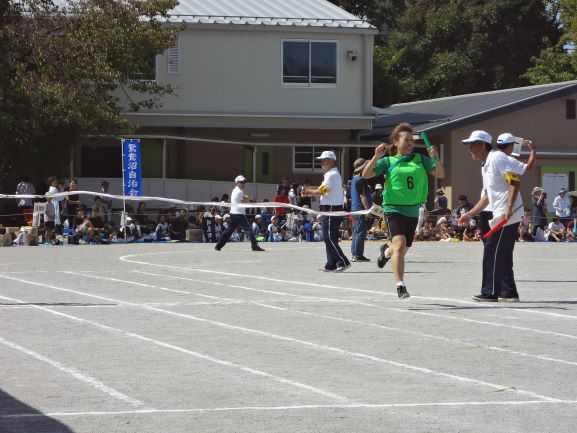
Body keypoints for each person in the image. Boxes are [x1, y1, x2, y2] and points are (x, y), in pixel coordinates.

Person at [362, 122, 445, 298]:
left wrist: (435, 157)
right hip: (393, 208)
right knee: (399, 245)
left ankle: (385, 253)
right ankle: (400, 286)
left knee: (403, 248)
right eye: (405, 140)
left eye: (411, 141)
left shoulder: (420, 159)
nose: (409, 143)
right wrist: (376, 156)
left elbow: (440, 174)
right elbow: (366, 175)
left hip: (413, 209)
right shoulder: (388, 161)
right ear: (395, 141)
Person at [458, 130, 525, 302]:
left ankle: (490, 292)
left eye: (472, 145)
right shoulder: (486, 164)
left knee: (492, 249)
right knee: (501, 252)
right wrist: (470, 214)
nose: (469, 149)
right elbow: (487, 196)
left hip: (506, 214)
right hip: (499, 213)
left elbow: (515, 181)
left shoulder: (497, 158)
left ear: (482, 145)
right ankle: (508, 292)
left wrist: (509, 206)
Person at [303, 151, 350, 272]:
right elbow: (323, 190)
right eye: (322, 160)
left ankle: (342, 261)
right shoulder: (332, 174)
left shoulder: (332, 174)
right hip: (330, 207)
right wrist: (311, 191)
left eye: (325, 160)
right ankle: (331, 263)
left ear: (332, 161)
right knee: (331, 237)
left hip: (331, 208)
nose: (322, 162)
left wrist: (309, 191)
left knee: (328, 237)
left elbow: (323, 191)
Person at [215, 175, 265, 252]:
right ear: (237, 182)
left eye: (244, 182)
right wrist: (247, 197)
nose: (243, 184)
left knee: (229, 231)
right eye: (241, 182)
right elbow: (246, 202)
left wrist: (246, 197)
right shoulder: (240, 192)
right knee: (249, 230)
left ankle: (218, 246)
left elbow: (244, 200)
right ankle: (254, 246)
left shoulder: (234, 190)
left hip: (233, 213)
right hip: (239, 214)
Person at [349, 158, 373, 262]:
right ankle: (357, 254)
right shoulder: (361, 179)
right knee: (360, 232)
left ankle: (356, 253)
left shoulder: (354, 179)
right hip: (361, 209)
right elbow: (363, 196)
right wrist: (367, 209)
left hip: (354, 208)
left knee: (356, 232)